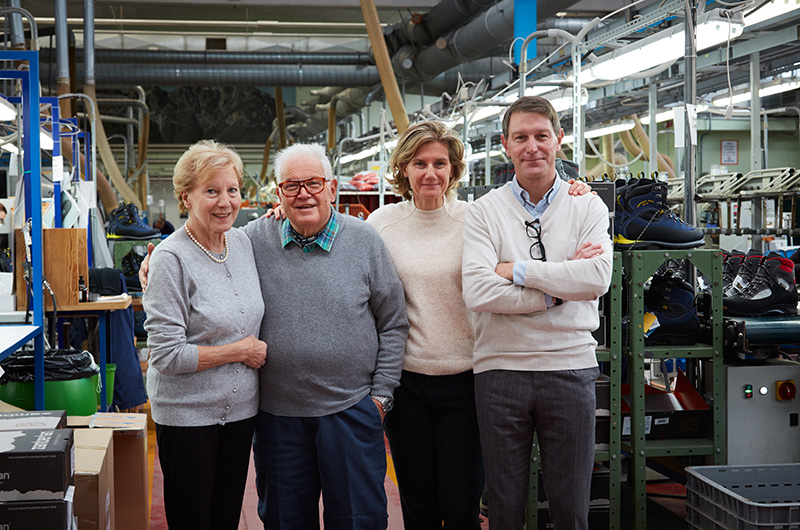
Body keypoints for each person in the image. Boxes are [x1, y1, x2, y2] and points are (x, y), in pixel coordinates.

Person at [461, 96, 613, 530]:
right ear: (505, 146)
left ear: (558, 140)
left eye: (541, 136)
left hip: (570, 370)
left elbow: (597, 277)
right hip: (499, 370)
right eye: (521, 137)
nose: (533, 147)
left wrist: (518, 271)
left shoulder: (588, 205)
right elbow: (478, 290)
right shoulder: (484, 212)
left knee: (571, 509)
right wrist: (556, 291)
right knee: (505, 509)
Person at [249, 143, 408, 529]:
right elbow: (208, 249)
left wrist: (381, 397)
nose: (303, 193)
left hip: (351, 413)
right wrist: (157, 260)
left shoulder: (365, 241)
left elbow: (393, 321)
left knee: (359, 521)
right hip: (277, 419)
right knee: (285, 521)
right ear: (278, 192)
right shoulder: (254, 239)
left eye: (313, 183)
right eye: (292, 185)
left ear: (332, 188)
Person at [142, 140, 267, 530]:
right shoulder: (170, 258)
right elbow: (165, 354)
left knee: (225, 517)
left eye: (232, 190)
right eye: (211, 191)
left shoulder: (243, 242)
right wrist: (238, 351)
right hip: (187, 417)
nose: (225, 201)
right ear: (186, 198)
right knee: (194, 520)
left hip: (241, 414)